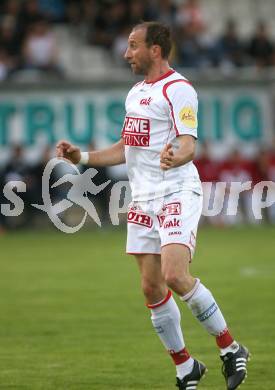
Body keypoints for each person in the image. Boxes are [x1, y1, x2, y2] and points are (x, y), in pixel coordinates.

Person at [56, 21, 249, 390]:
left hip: (176, 191)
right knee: (151, 287)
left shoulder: (179, 90)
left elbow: (189, 144)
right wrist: (80, 155)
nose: (127, 53)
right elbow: (124, 150)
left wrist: (175, 157)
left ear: (155, 49)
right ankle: (185, 367)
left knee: (176, 275)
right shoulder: (135, 93)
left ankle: (230, 347)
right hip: (143, 197)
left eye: (133, 46)